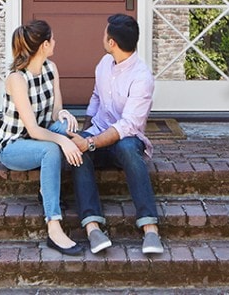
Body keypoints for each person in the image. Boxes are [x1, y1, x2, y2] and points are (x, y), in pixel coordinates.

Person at [69, 13, 164, 255]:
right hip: (99, 135)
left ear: (112, 42)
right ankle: (93, 227)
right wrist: (86, 132)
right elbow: (96, 98)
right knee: (78, 155)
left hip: (126, 141)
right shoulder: (103, 64)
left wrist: (90, 142)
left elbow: (128, 126)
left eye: (105, 34)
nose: (102, 37)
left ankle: (150, 229)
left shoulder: (142, 78)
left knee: (127, 148)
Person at [0, 19, 85, 255]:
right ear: (44, 45)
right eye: (52, 39)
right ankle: (54, 227)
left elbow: (54, 113)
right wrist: (61, 140)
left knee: (71, 132)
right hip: (14, 145)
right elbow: (33, 130)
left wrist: (64, 116)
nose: (55, 42)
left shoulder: (50, 69)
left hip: (40, 135)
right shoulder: (17, 79)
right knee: (53, 149)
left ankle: (56, 191)